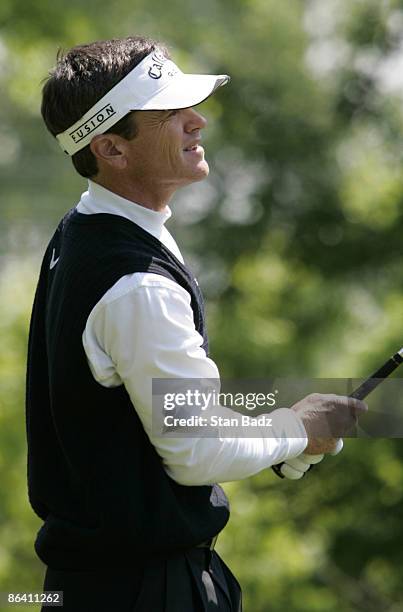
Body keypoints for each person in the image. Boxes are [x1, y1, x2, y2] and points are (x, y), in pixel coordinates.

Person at [25, 36, 367, 611]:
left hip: (97, 584)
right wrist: (297, 426)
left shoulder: (83, 229)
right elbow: (197, 447)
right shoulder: (138, 283)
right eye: (171, 114)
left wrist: (280, 437)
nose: (198, 121)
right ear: (111, 148)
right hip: (145, 591)